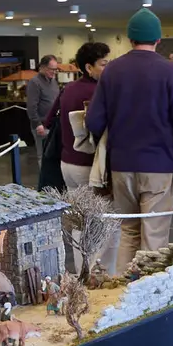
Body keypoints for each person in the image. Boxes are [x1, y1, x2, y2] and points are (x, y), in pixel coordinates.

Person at [86, 8, 173, 269]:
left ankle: (123, 296)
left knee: (128, 233)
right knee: (154, 240)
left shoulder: (112, 71)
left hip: (121, 167)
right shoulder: (171, 72)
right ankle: (147, 304)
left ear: (129, 39)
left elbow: (93, 121)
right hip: (158, 168)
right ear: (159, 40)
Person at [45, 41, 118, 275]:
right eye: (104, 64)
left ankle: (83, 271)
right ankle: (101, 275)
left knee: (81, 221)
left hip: (68, 163)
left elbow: (48, 119)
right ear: (89, 67)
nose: (108, 68)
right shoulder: (96, 92)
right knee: (104, 224)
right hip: (89, 167)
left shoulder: (69, 89)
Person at [26, 55, 60, 160]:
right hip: (41, 127)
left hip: (53, 125)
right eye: (52, 69)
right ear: (43, 67)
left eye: (56, 69)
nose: (54, 72)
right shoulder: (34, 82)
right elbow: (31, 107)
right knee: (43, 156)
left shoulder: (53, 82)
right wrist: (38, 124)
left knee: (53, 156)